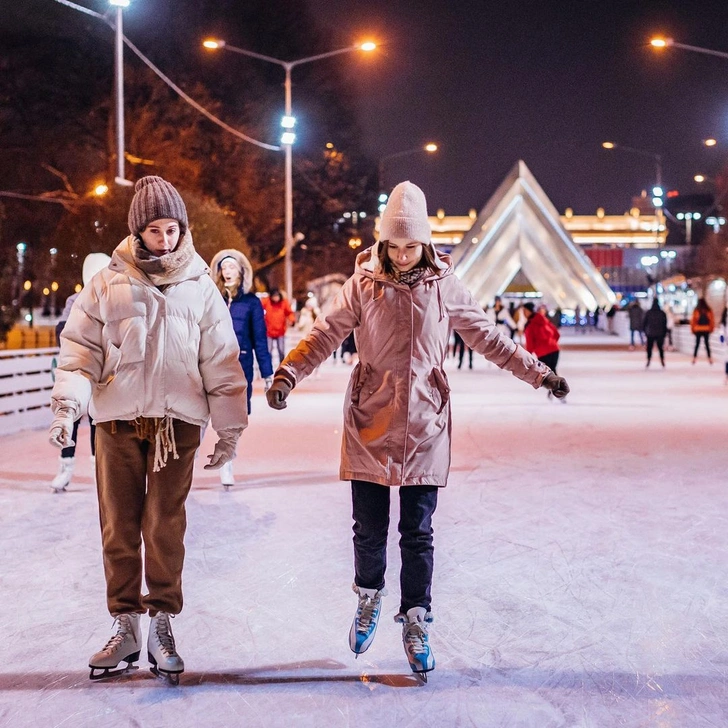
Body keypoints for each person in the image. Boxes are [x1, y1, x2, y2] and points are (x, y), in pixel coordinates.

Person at [265, 181, 569, 680]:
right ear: (382, 243)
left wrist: (540, 373)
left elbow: (488, 338)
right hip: (370, 418)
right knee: (368, 528)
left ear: (425, 244)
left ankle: (416, 618)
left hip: (426, 421)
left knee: (418, 531)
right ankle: (368, 599)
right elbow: (324, 334)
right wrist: (288, 373)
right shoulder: (361, 284)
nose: (403, 256)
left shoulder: (445, 285)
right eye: (395, 246)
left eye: (411, 246)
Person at [49, 176, 248, 683]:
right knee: (118, 525)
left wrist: (229, 430)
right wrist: (67, 407)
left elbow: (222, 363)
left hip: (177, 426)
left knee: (163, 524)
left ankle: (161, 621)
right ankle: (125, 625)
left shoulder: (201, 286)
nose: (165, 240)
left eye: (172, 229)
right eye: (155, 230)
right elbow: (78, 354)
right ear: (138, 232)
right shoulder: (105, 283)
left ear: (184, 230)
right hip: (115, 421)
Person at [210, 248, 273, 487]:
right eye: (224, 267)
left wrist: (267, 374)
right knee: (203, 411)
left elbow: (260, 339)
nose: (227, 272)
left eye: (232, 267)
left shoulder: (251, 302)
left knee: (235, 417)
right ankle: (190, 452)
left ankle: (227, 461)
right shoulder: (211, 298)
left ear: (241, 271)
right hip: (211, 364)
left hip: (240, 366)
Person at [49, 253, 110, 492]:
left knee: (98, 420)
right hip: (79, 372)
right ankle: (65, 468)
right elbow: (62, 331)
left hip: (103, 374)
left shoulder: (113, 302)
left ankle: (100, 470)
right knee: (71, 418)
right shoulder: (75, 301)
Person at [521, 302, 565, 402]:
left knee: (548, 374)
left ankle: (558, 392)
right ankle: (556, 391)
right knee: (552, 371)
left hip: (543, 353)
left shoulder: (530, 326)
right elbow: (556, 333)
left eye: (524, 311)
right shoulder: (544, 319)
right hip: (554, 349)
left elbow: (530, 344)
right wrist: (551, 343)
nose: (523, 313)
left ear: (529, 311)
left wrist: (527, 356)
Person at [262, 288, 295, 367]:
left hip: (280, 331)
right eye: (274, 297)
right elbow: (258, 309)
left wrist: (292, 320)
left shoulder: (284, 303)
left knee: (281, 350)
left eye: (277, 296)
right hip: (269, 331)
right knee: (269, 351)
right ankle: (268, 366)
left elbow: (289, 313)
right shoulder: (267, 302)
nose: (276, 298)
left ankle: (282, 365)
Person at [643, 298, 667, 368]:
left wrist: (645, 332)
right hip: (660, 333)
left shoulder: (649, 313)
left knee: (649, 348)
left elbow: (644, 323)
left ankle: (648, 360)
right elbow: (664, 324)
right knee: (660, 348)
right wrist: (664, 333)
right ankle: (662, 360)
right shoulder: (662, 313)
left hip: (650, 333)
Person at [691, 297, 714, 365]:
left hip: (698, 329)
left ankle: (694, 358)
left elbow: (693, 321)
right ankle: (710, 358)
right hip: (706, 329)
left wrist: (693, 329)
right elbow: (712, 320)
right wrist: (711, 329)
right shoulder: (708, 310)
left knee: (697, 344)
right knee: (707, 344)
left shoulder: (696, 310)